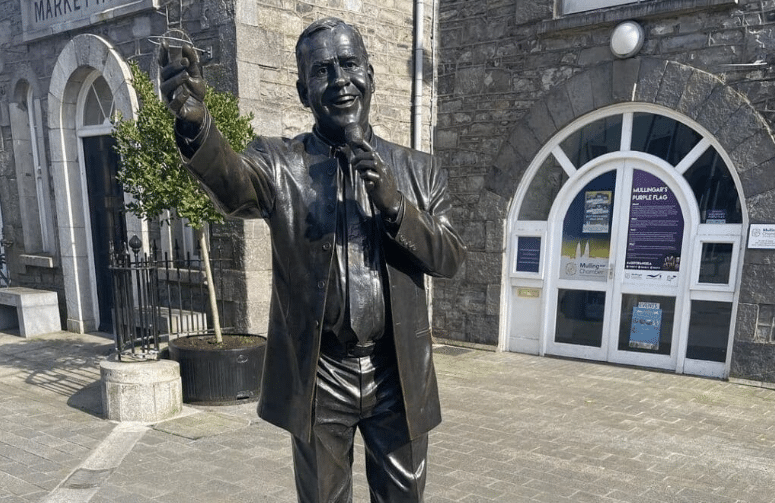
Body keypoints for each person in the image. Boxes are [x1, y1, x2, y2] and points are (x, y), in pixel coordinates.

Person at [158, 17, 466, 502]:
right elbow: (233, 182)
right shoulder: (280, 163)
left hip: (397, 375)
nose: (340, 81)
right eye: (322, 71)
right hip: (323, 375)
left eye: (349, 65)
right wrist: (197, 124)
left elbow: (449, 258)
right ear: (304, 92)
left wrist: (396, 207)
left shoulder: (419, 170)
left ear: (370, 73)